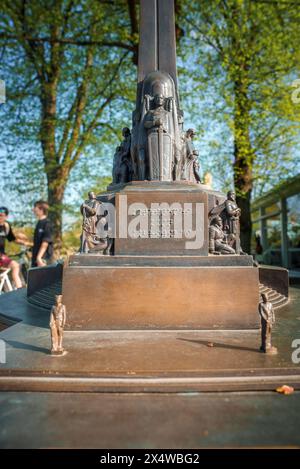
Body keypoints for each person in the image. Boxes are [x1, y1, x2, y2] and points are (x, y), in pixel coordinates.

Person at [0, 206, 30, 288]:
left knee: (14, 267)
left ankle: (11, 290)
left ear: (6, 216)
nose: (0, 217)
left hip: (2, 256)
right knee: (15, 265)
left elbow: (12, 239)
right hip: (1, 256)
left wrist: (25, 243)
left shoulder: (6, 226)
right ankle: (19, 289)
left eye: (1, 215)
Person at [32, 200, 53, 267]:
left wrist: (39, 258)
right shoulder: (39, 223)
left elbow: (45, 242)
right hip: (36, 258)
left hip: (42, 259)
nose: (33, 209)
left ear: (41, 209)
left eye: (35, 207)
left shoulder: (47, 223)